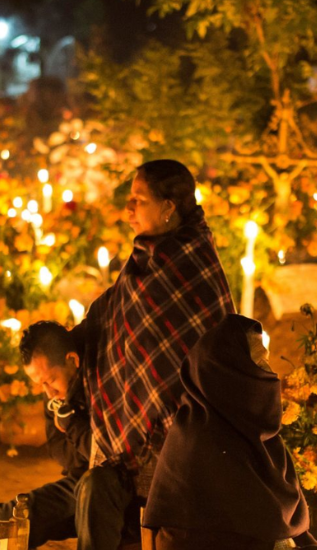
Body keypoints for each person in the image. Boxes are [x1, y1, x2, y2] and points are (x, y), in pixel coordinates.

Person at [75, 159, 234, 550]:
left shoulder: (192, 263)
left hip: (184, 444)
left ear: (168, 207)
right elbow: (117, 327)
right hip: (136, 439)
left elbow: (198, 356)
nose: (127, 210)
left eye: (138, 200)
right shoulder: (141, 261)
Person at [143, 314, 317, 550]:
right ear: (229, 374)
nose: (269, 372)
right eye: (258, 362)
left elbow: (287, 531)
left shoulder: (259, 439)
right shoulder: (198, 444)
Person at [0, 321, 95, 547]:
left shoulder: (101, 381)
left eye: (51, 380)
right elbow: (59, 451)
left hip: (103, 488)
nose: (48, 392)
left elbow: (103, 454)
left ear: (73, 360)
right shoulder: (55, 396)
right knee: (1, 521)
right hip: (77, 481)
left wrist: (72, 424)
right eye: (40, 384)